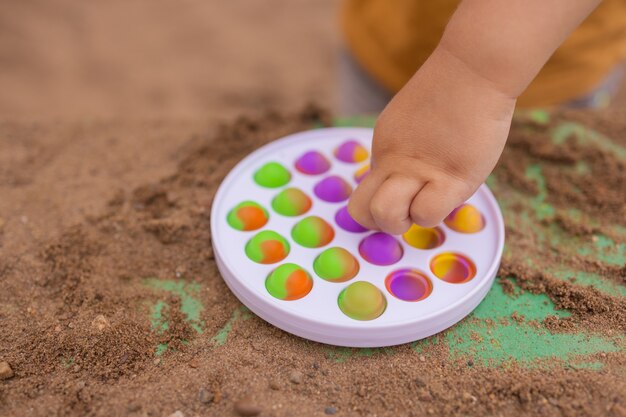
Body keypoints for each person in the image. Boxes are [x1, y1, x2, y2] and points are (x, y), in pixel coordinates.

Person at [341, 0, 626, 235]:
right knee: (368, 153)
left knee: (536, 199)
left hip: (550, 77)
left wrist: (475, 76)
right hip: (390, 33)